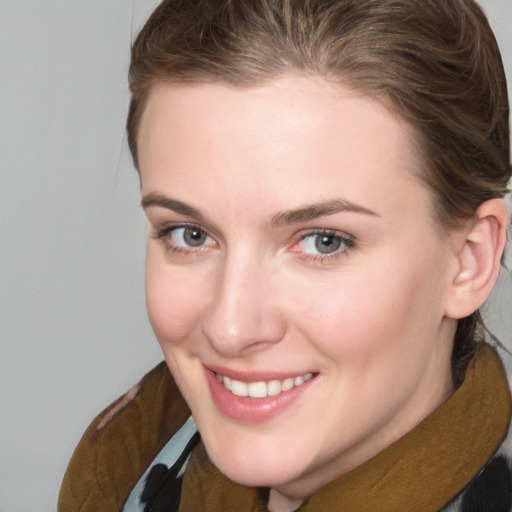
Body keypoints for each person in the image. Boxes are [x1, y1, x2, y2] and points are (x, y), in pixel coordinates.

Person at [58, 0, 512, 510]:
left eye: (324, 241)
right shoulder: (120, 472)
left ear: (469, 262)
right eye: (189, 234)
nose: (230, 329)